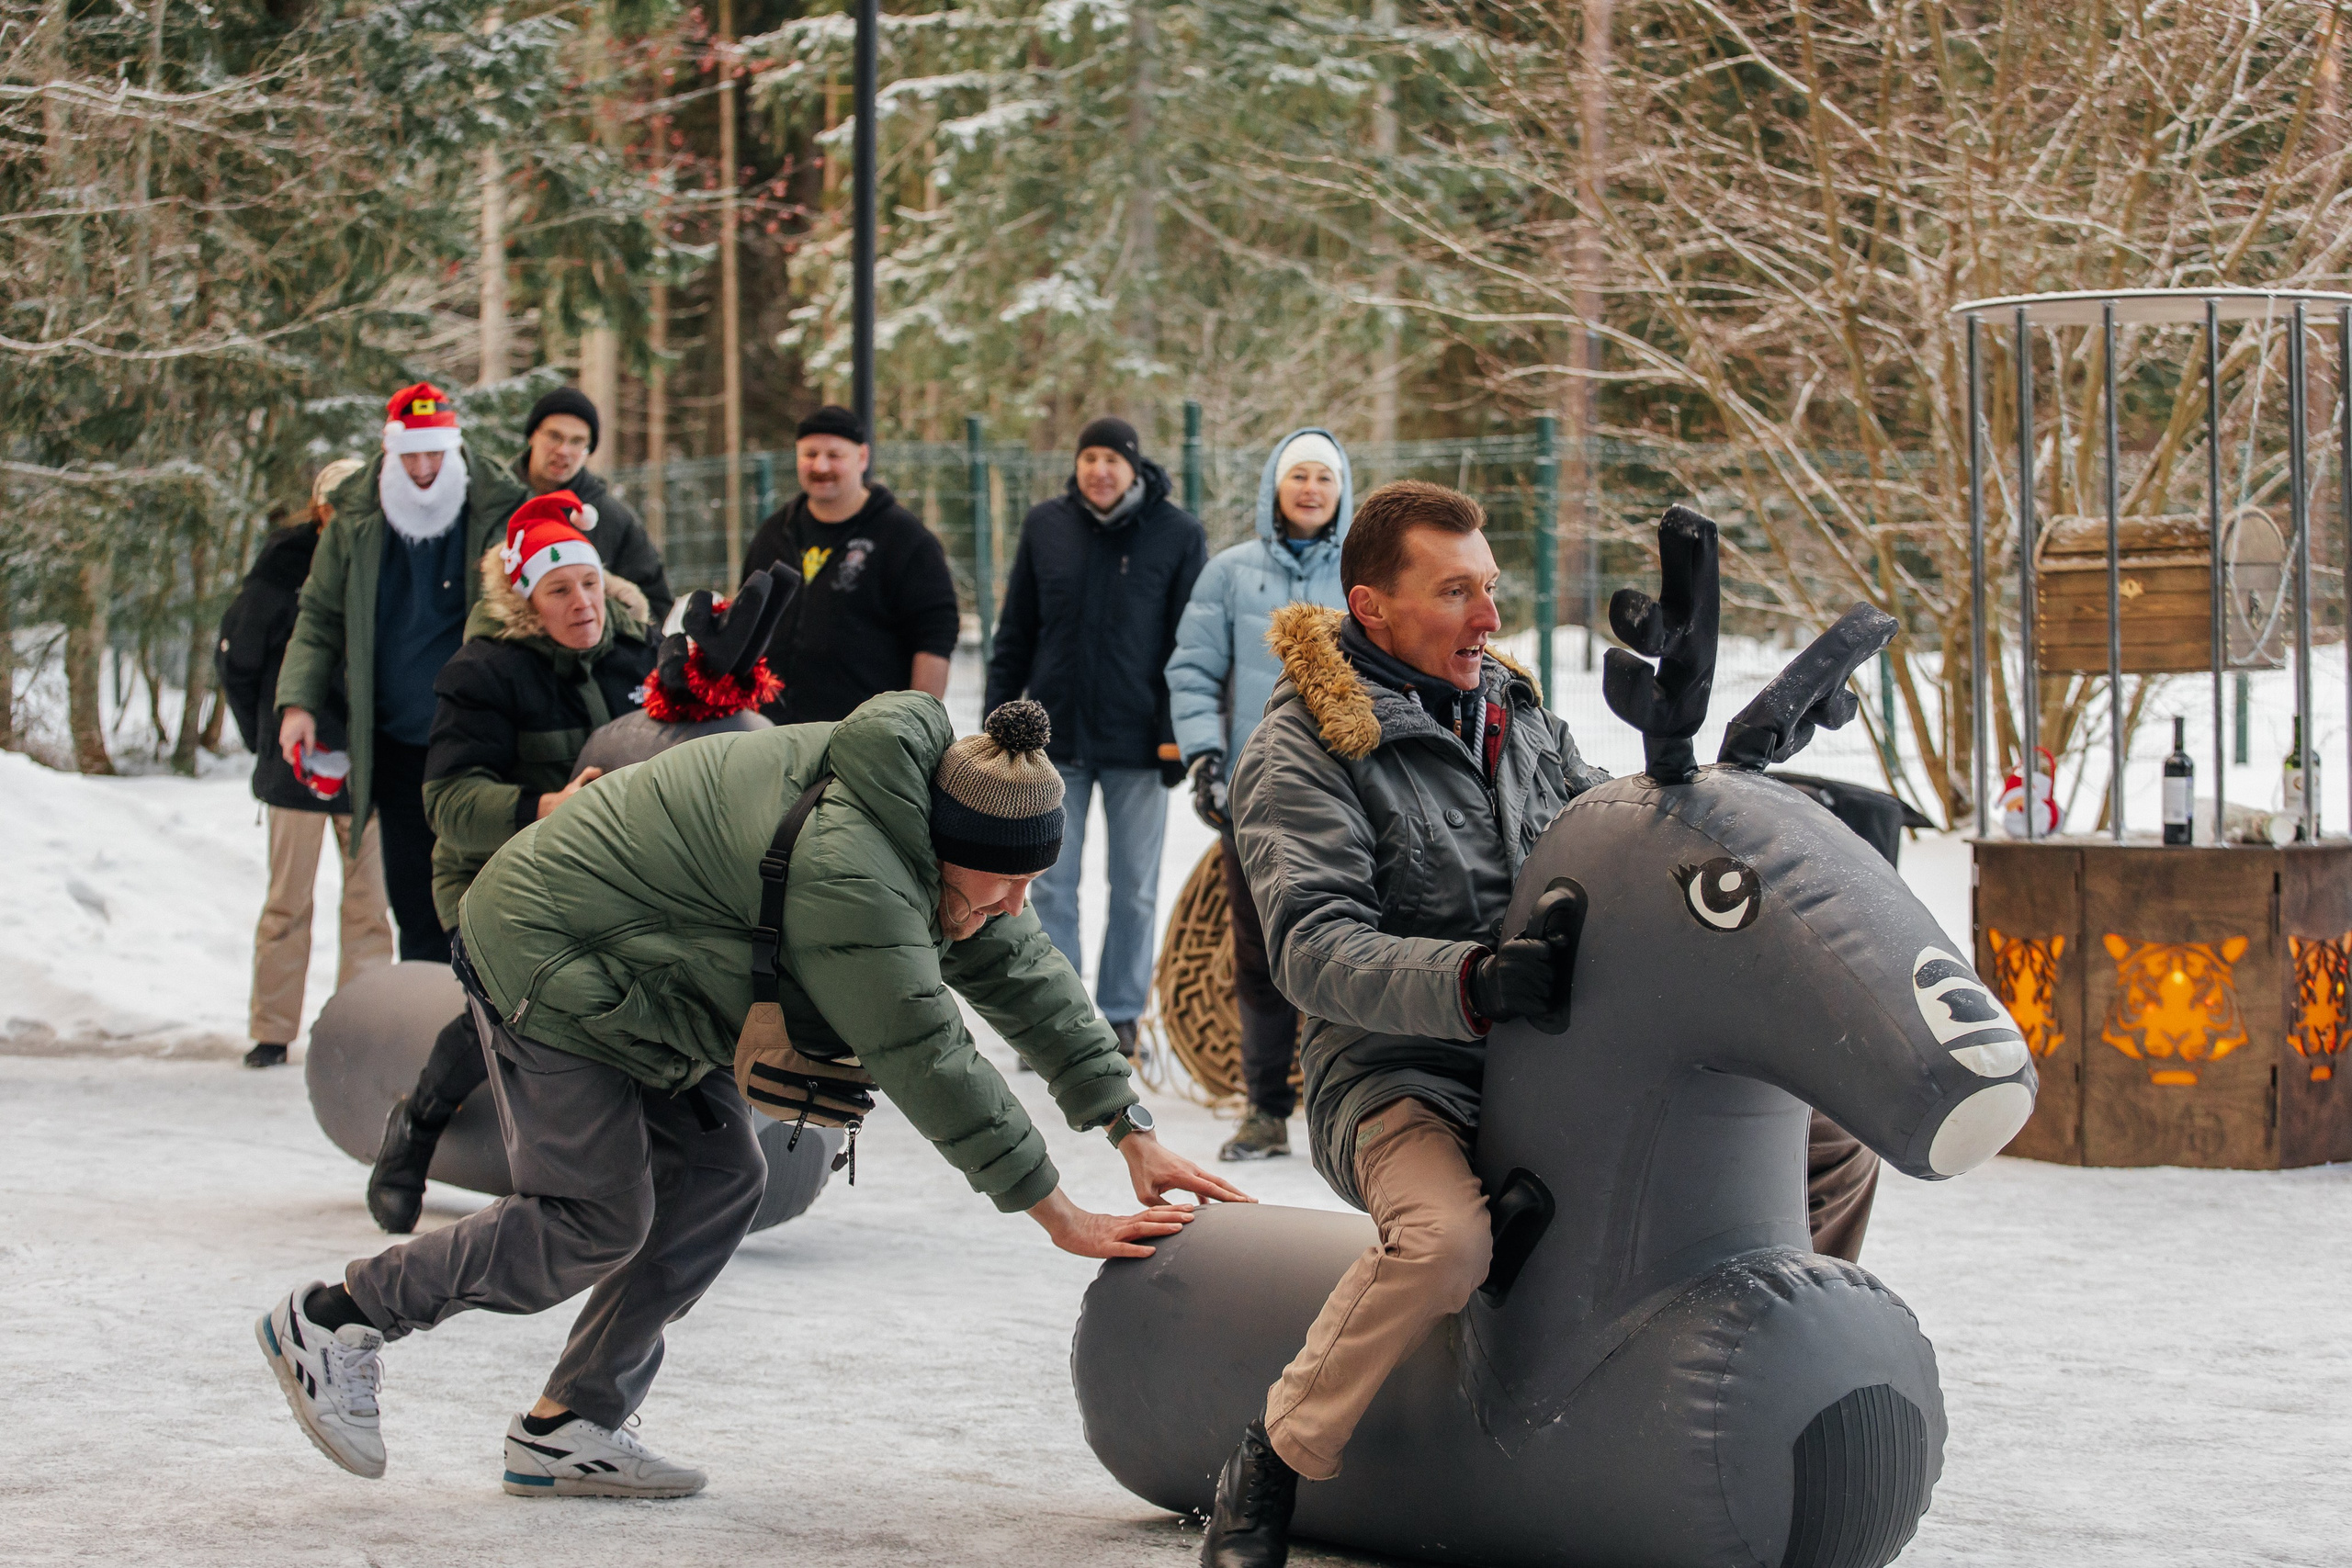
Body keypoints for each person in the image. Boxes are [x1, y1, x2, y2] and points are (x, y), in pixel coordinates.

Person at [257, 694, 1249, 1497]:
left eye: (1031, 882)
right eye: (1002, 883)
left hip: (648, 970)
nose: (1013, 906)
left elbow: (1022, 970)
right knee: (590, 1217)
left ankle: (572, 1426)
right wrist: (1057, 1213)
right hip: (550, 955)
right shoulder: (857, 870)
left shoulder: (943, 814)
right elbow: (929, 1056)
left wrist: (1129, 1124)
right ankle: (338, 1315)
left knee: (722, 1175)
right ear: (945, 846)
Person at [1204, 480, 1606, 1566]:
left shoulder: (1515, 711)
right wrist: (1473, 981)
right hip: (1394, 1072)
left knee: (1816, 1142)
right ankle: (1275, 1457)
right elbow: (1313, 951)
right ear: (1372, 609)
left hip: (1544, 1057)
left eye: (1490, 590)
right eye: (1456, 593)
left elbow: (1609, 835)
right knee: (1443, 1242)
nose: (1489, 619)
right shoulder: (1301, 749)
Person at [363, 491, 658, 1234]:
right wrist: (540, 807)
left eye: (590, 582)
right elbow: (450, 805)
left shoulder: (636, 652)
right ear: (527, 596)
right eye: (560, 589)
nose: (582, 602)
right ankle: (416, 1128)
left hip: (613, 874)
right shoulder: (482, 673)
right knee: (524, 994)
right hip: (496, 880)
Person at [275, 384, 528, 963]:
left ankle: (489, 1027)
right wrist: (298, 702)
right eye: (410, 454)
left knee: (484, 891)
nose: (421, 468)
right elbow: (319, 613)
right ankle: (428, 1024)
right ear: (391, 452)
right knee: (412, 901)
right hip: (394, 740)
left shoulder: (495, 503)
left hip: (475, 738)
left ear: (452, 449)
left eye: (433, 453)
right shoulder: (357, 513)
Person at [986, 416, 1208, 1055]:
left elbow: (1188, 647)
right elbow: (1017, 631)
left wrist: (1177, 737)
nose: (1100, 470)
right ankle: (1060, 1015)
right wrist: (1001, 719)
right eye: (1090, 458)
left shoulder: (1177, 534)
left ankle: (1118, 1014)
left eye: (1113, 459)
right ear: (1077, 465)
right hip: (1052, 741)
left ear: (1135, 467)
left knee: (1134, 885)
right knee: (1050, 880)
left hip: (1140, 743)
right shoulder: (1046, 526)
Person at [1166, 429, 1352, 1156]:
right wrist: (1206, 759)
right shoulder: (1229, 574)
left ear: (1342, 492)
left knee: (1352, 947)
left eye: (1324, 478)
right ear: (1274, 485)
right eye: (1298, 475)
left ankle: (1351, 1110)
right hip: (1258, 789)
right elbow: (1192, 671)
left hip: (1348, 791)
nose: (1310, 488)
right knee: (1260, 950)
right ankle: (1266, 1110)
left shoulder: (1367, 571)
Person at [215, 458, 396, 1069]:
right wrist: (263, 734)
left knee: (370, 904)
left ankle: (360, 1026)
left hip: (370, 759)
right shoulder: (282, 567)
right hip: (296, 758)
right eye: (339, 505)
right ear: (320, 509)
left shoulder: (387, 567)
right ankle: (272, 1028)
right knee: (287, 901)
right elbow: (237, 662)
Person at [741, 404, 959, 723]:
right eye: (810, 454)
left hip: (863, 740)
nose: (820, 465)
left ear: (862, 458)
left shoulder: (905, 539)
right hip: (772, 737)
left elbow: (935, 639)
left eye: (835, 455)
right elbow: (747, 621)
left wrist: (915, 726)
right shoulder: (774, 533)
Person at [509, 387, 675, 628]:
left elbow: (656, 606)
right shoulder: (494, 502)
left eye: (577, 441)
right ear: (532, 435)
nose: (564, 450)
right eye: (554, 436)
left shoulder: (613, 518)